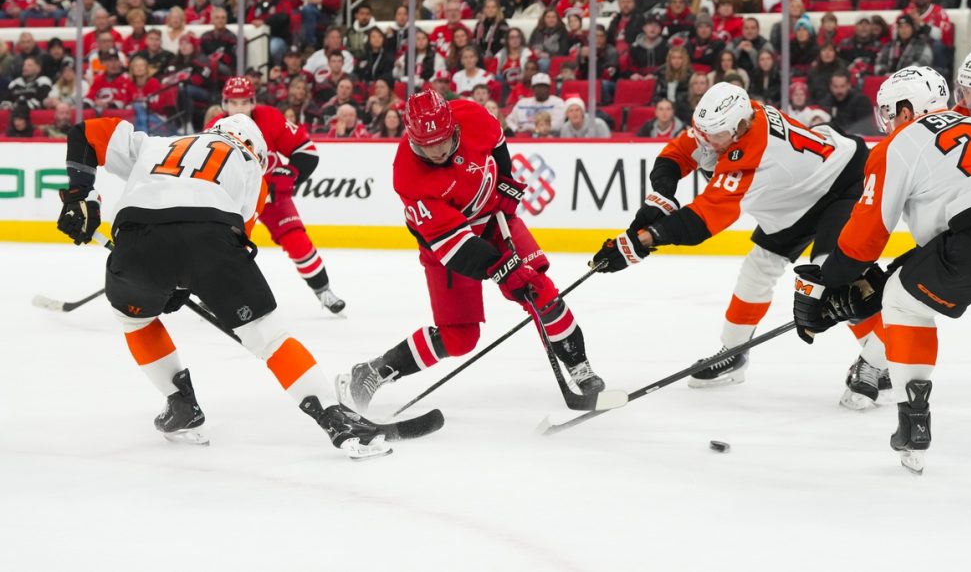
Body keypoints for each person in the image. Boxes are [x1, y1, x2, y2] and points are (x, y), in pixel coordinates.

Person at [54, 113, 391, 459]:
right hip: (210, 239)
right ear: (257, 150)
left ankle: (182, 405)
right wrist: (190, 278)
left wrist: (81, 195)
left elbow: (84, 133)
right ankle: (335, 417)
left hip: (137, 240)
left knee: (135, 319)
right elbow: (235, 238)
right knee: (269, 336)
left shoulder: (158, 143)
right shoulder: (251, 168)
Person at [791, 65, 971, 473]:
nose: (887, 123)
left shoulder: (900, 143)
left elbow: (866, 238)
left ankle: (912, 420)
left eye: (888, 112)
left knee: (903, 300)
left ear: (904, 110)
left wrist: (831, 284)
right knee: (906, 282)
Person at [590, 82, 877, 400]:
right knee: (758, 269)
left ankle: (881, 363)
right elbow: (677, 154)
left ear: (739, 129)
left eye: (713, 136)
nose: (705, 142)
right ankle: (734, 353)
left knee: (835, 274)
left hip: (844, 181)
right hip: (797, 197)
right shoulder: (725, 122)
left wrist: (639, 242)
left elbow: (702, 221)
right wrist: (660, 199)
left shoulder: (749, 150)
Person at [337, 89, 608, 412]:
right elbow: (457, 247)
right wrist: (504, 269)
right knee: (460, 338)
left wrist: (505, 182)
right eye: (427, 144)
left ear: (454, 127)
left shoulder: (471, 115)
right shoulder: (408, 176)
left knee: (539, 290)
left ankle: (580, 367)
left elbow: (497, 143)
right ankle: (374, 370)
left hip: (494, 219)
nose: (437, 151)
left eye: (443, 140)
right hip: (449, 245)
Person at [209, 77, 347, 314]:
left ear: (253, 102)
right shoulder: (214, 129)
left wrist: (290, 172)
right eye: (234, 103)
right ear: (225, 104)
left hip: (272, 197)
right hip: (236, 201)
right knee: (224, 246)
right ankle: (215, 293)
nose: (239, 108)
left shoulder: (270, 118)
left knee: (297, 240)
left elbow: (306, 151)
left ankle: (323, 290)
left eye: (244, 102)